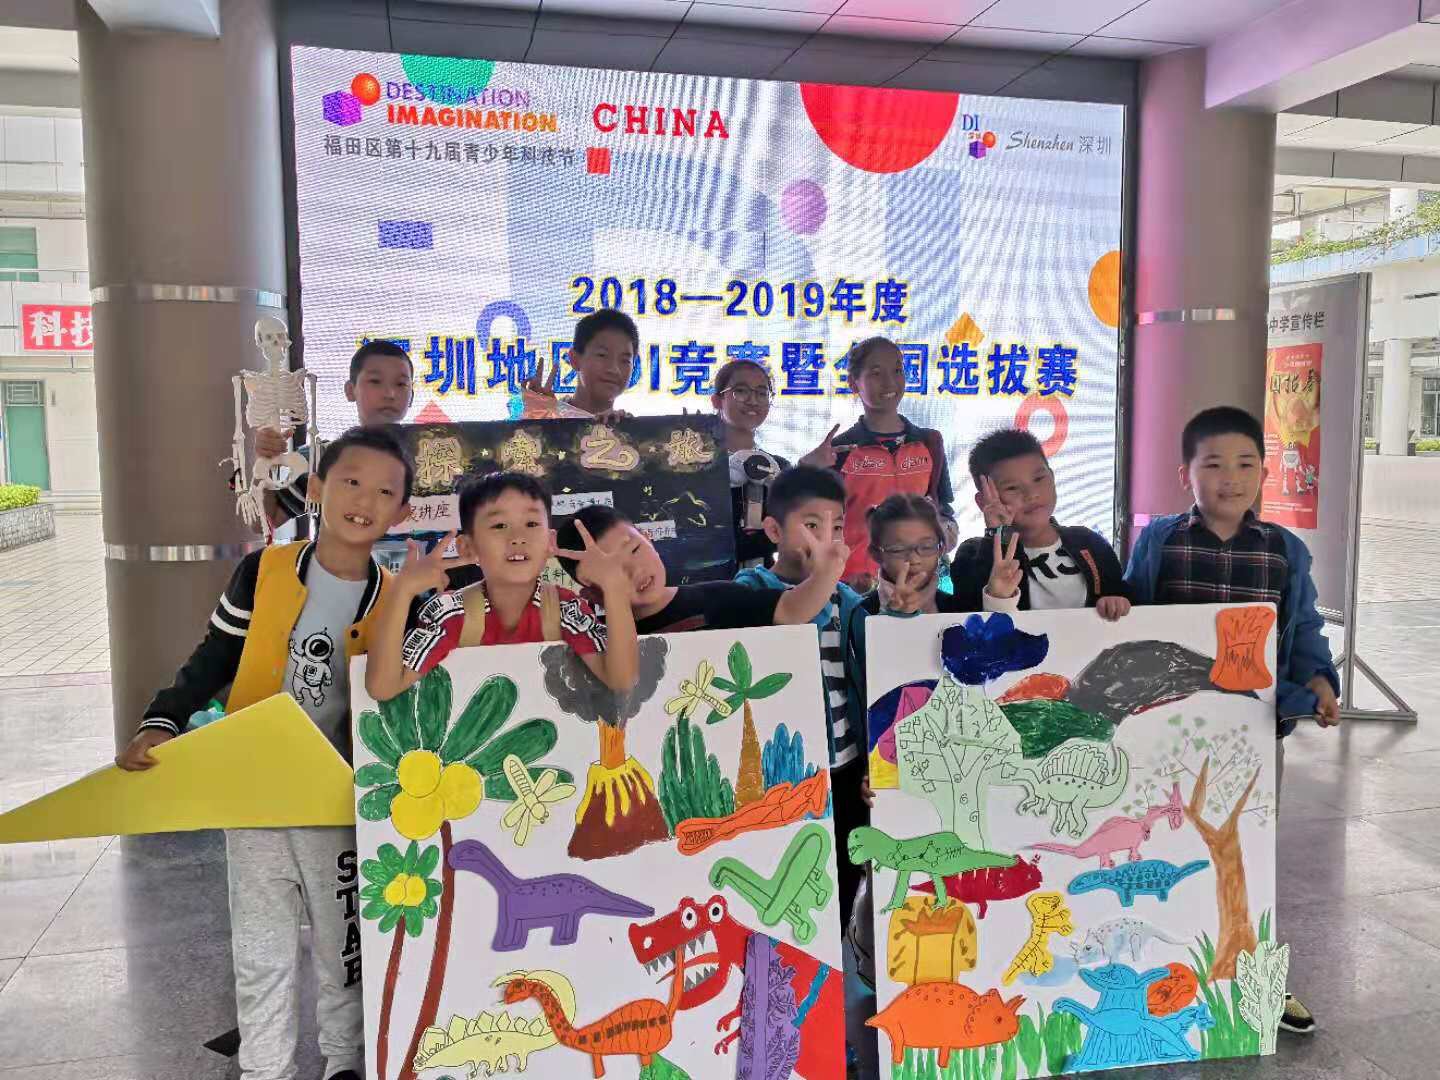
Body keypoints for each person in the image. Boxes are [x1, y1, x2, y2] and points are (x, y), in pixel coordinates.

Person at [116, 426, 418, 1080]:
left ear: (402, 512)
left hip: (339, 803)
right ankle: (265, 1069)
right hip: (254, 797)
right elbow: (214, 658)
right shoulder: (263, 572)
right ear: (317, 488)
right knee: (261, 950)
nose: (364, 500)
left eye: (384, 492)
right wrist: (163, 719)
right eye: (350, 482)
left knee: (344, 947)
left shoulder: (399, 599)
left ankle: (345, 1062)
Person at [1125, 405, 1340, 1036]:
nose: (1231, 477)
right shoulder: (1162, 541)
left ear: (1264, 474)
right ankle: (1165, 972)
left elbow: (1303, 627)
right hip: (1172, 734)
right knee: (1171, 850)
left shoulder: (1283, 550)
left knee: (1249, 855)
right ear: (1184, 475)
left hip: (1251, 735)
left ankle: (1255, 977)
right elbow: (1135, 614)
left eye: (1246, 464)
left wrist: (1319, 681)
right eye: (1214, 464)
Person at [364, 471, 638, 701]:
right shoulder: (450, 614)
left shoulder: (567, 610)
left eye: (531, 523)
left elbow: (622, 680)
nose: (517, 537)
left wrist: (614, 589)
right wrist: (401, 591)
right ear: (467, 546)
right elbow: (381, 688)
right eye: (499, 525)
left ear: (550, 542)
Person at [732, 465, 867, 923]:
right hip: (786, 773)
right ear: (773, 530)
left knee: (845, 873)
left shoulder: (848, 600)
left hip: (844, 765)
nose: (827, 539)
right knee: (787, 872)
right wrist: (822, 582)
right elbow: (782, 630)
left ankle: (842, 941)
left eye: (837, 527)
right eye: (812, 525)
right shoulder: (750, 590)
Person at [554, 502, 847, 636]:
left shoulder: (719, 597)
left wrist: (827, 571)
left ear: (648, 537)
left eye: (634, 550)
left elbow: (790, 611)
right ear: (592, 594)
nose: (634, 571)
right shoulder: (593, 639)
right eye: (612, 572)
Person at [953, 427, 1130, 619]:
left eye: (1038, 479)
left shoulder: (1089, 542)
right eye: (1012, 488)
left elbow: (1123, 596)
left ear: (1052, 478)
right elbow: (969, 614)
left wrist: (1117, 603)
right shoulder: (972, 553)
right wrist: (998, 533)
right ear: (983, 501)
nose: (1031, 494)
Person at [830, 337, 958, 591]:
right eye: (876, 373)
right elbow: (822, 523)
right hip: (854, 587)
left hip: (918, 584)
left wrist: (943, 534)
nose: (889, 382)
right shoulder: (840, 449)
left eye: (897, 370)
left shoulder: (930, 442)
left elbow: (944, 510)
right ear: (854, 383)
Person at [256, 339, 414, 531]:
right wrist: (266, 462)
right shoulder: (320, 458)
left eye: (401, 384)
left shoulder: (436, 459)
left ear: (412, 395)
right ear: (350, 390)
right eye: (375, 381)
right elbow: (262, 523)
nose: (389, 393)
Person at [711, 356, 841, 566]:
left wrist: (803, 474)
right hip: (707, 581)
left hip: (764, 582)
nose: (753, 400)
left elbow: (789, 533)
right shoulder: (700, 467)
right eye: (741, 391)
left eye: (762, 393)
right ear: (717, 400)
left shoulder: (778, 466)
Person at [523, 308, 638, 422]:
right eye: (602, 355)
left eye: (625, 360)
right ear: (575, 359)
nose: (614, 369)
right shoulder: (545, 417)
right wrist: (536, 425)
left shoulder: (633, 428)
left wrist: (622, 429)